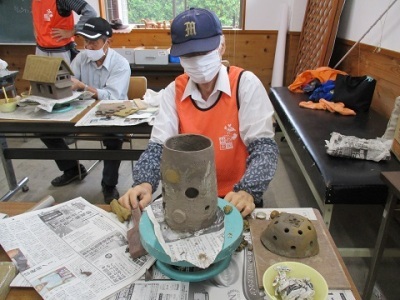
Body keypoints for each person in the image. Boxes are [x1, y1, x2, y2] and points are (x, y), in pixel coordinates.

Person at [118, 8, 279, 217]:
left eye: (203, 52)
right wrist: (144, 182)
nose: (197, 61)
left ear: (221, 45)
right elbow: (158, 148)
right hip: (187, 194)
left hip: (234, 195)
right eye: (188, 55)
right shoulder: (173, 92)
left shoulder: (244, 85)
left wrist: (248, 190)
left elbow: (264, 149)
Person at [40, 17, 131, 203]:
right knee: (45, 130)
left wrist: (83, 87)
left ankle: (109, 184)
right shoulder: (81, 58)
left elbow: (114, 97)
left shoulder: (120, 64)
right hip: (82, 111)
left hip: (112, 112)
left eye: (94, 42)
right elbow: (69, 83)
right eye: (86, 41)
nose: (88, 46)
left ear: (108, 42)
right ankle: (72, 169)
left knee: (114, 137)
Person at [32, 0, 97, 64]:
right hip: (40, 51)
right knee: (41, 75)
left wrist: (72, 32)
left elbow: (90, 13)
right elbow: (37, 16)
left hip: (60, 52)